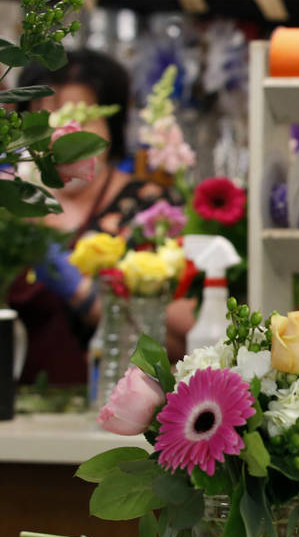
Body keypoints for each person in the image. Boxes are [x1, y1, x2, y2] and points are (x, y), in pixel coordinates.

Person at [10, 49, 191, 385]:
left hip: (114, 409)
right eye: (42, 118)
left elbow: (186, 341)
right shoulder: (10, 206)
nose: (60, 134)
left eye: (78, 119)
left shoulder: (152, 210)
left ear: (113, 125)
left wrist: (80, 290)